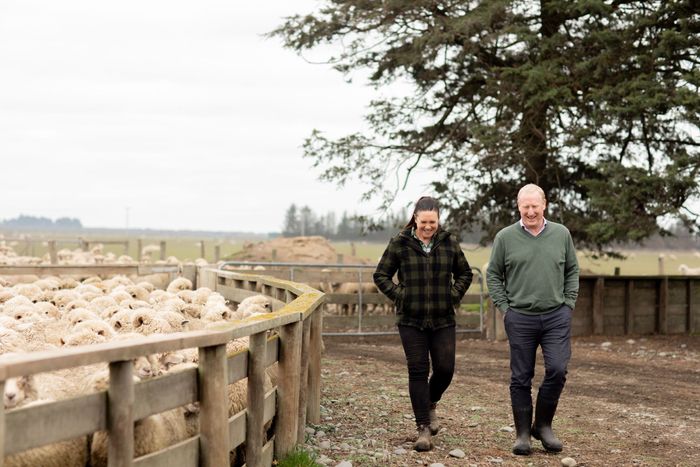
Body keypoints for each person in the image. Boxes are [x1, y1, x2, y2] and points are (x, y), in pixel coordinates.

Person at [373, 196, 473, 451]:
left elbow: (465, 273)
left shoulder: (448, 242)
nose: (429, 227)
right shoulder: (400, 243)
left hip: (442, 319)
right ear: (415, 218)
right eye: (424, 222)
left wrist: (452, 296)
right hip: (410, 320)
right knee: (417, 370)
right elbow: (381, 274)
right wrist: (400, 295)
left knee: (445, 369)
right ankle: (423, 428)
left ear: (439, 220)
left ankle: (430, 402)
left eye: (433, 222)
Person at [486, 183, 579, 455]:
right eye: (524, 206)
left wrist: (568, 302)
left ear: (544, 204)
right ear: (518, 206)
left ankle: (543, 425)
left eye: (534, 206)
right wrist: (505, 307)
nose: (530, 211)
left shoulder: (561, 234)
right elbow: (493, 274)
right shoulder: (505, 237)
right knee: (521, 377)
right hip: (520, 317)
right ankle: (523, 434)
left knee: (558, 369)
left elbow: (572, 269)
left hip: (556, 316)